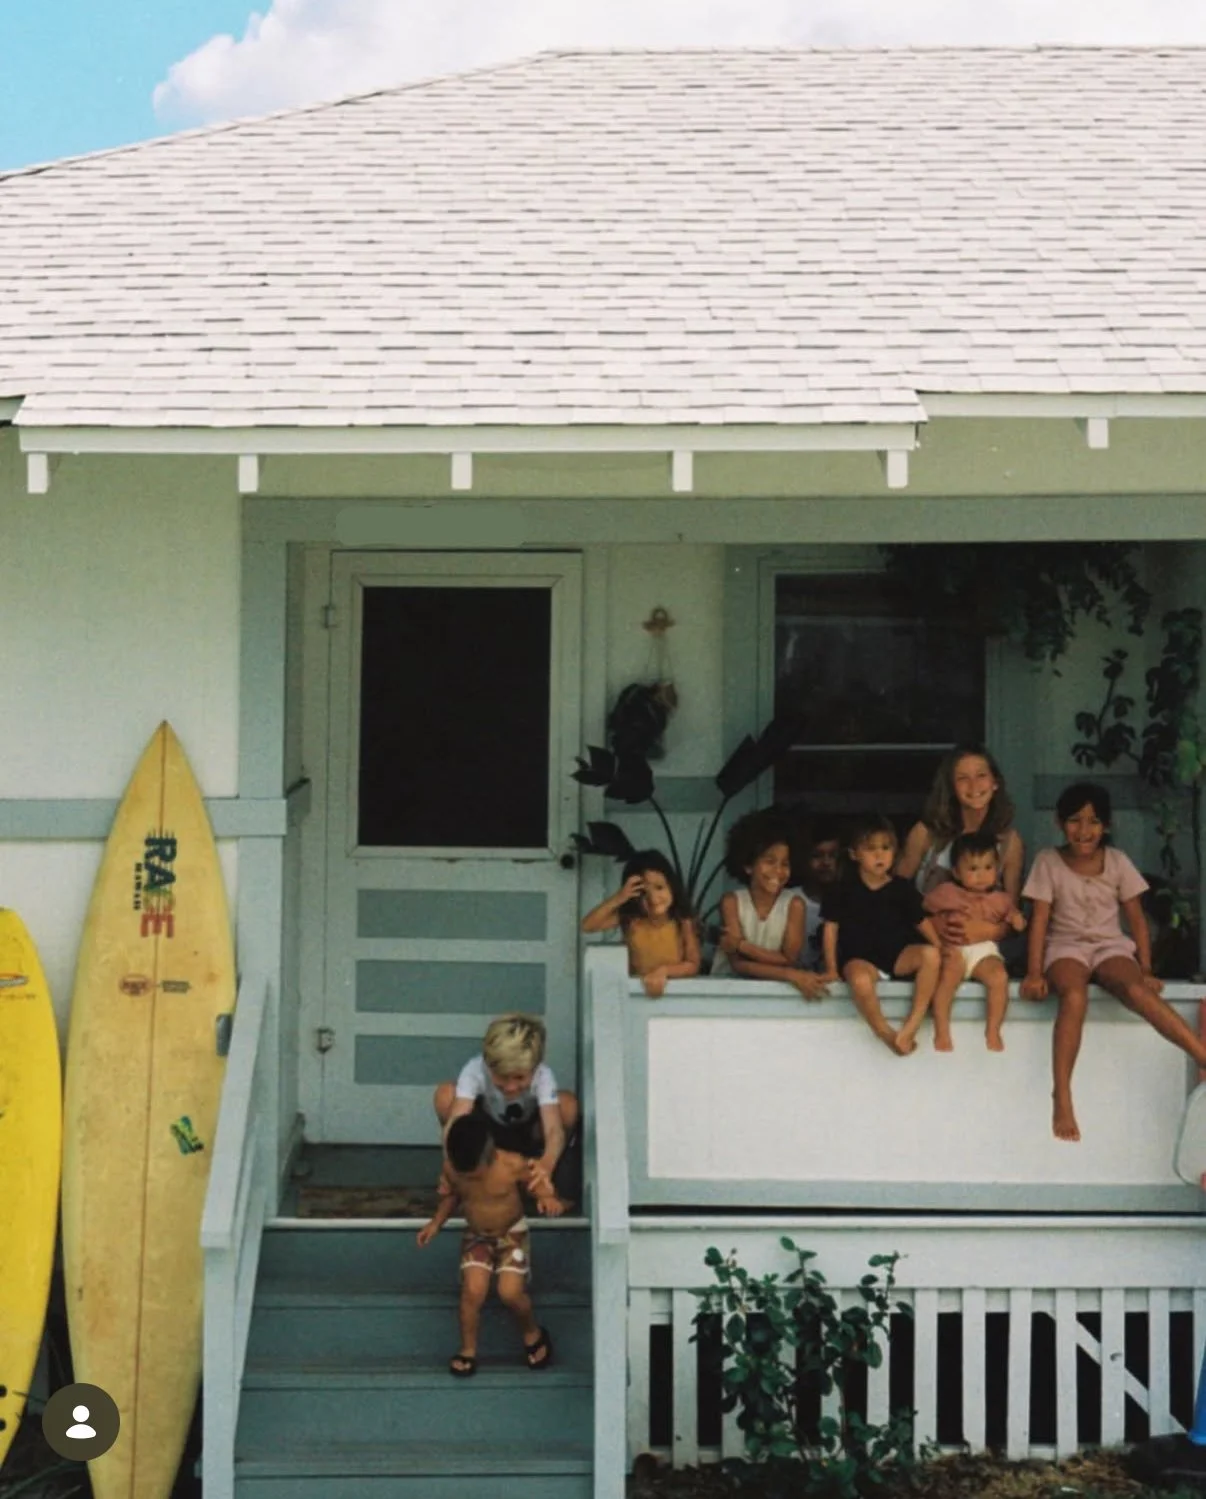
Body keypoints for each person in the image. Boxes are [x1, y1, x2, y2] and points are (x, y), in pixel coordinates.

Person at [1020, 782, 1206, 1143]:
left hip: (1110, 946)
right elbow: (1039, 921)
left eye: (1093, 821)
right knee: (1073, 996)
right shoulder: (1048, 861)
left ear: (1105, 825)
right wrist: (1033, 972)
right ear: (1060, 823)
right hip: (1065, 947)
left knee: (1135, 989)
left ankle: (1200, 1053)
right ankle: (1062, 1093)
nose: (1084, 830)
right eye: (1074, 820)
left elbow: (1136, 919)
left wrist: (1147, 968)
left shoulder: (1117, 861)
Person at [417, 1114, 566, 1376]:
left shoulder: (511, 1163)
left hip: (511, 1235)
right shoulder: (453, 1168)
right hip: (477, 1236)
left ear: (492, 1156)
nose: (469, 1178)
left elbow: (537, 1183)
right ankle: (468, 1350)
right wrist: (435, 1223)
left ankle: (532, 1333)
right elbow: (452, 1197)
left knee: (510, 1292)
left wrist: (546, 1198)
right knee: (473, 1291)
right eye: (463, 1172)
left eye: (474, 1173)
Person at [819, 814, 943, 1054]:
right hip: (860, 959)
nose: (879, 855)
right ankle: (884, 1032)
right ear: (854, 854)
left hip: (897, 957)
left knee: (930, 956)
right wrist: (832, 968)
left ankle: (912, 1025)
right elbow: (830, 930)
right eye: (871, 849)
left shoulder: (901, 888)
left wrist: (939, 945)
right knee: (859, 979)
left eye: (886, 848)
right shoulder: (841, 889)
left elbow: (921, 921)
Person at [432, 1014, 579, 1191]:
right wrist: (450, 1166)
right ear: (487, 1064)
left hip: (528, 1135)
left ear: (535, 1067)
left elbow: (553, 1129)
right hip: (488, 1134)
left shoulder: (543, 1076)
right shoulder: (474, 1070)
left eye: (520, 1078)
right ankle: (469, 1169)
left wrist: (546, 1165)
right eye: (502, 1077)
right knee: (445, 1095)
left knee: (568, 1105)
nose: (511, 1087)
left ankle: (542, 1176)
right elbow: (456, 1122)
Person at [921, 830, 1027, 1053]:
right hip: (953, 949)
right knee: (948, 979)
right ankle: (941, 1029)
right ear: (956, 873)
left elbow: (1016, 921)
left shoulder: (1001, 899)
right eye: (972, 869)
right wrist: (936, 924)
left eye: (988, 868)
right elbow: (920, 912)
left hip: (983, 951)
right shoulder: (946, 892)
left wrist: (1017, 921)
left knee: (999, 977)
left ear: (997, 870)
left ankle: (993, 1029)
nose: (981, 875)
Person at [897, 743, 1025, 922]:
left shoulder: (1009, 841)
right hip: (928, 934)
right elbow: (895, 892)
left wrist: (987, 932)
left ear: (995, 783)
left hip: (986, 939)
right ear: (951, 787)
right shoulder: (925, 833)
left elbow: (1013, 911)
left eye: (981, 775)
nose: (974, 785)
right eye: (962, 778)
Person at [710, 809, 828, 999]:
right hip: (727, 993)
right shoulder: (731, 902)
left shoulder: (794, 904)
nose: (778, 871)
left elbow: (789, 959)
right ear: (748, 865)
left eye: (785, 864)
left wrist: (741, 945)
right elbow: (738, 965)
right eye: (770, 861)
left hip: (774, 994)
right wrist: (789, 974)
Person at [580, 849, 700, 997]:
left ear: (672, 886)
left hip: (675, 994)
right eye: (644, 893)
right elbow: (588, 925)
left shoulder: (683, 921)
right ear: (633, 895)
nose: (654, 899)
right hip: (637, 993)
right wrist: (619, 897)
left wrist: (663, 971)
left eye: (659, 888)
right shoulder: (632, 919)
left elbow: (693, 964)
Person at [793, 816, 842, 970]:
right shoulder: (788, 901)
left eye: (832, 856)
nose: (826, 862)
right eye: (817, 855)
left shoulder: (851, 901)